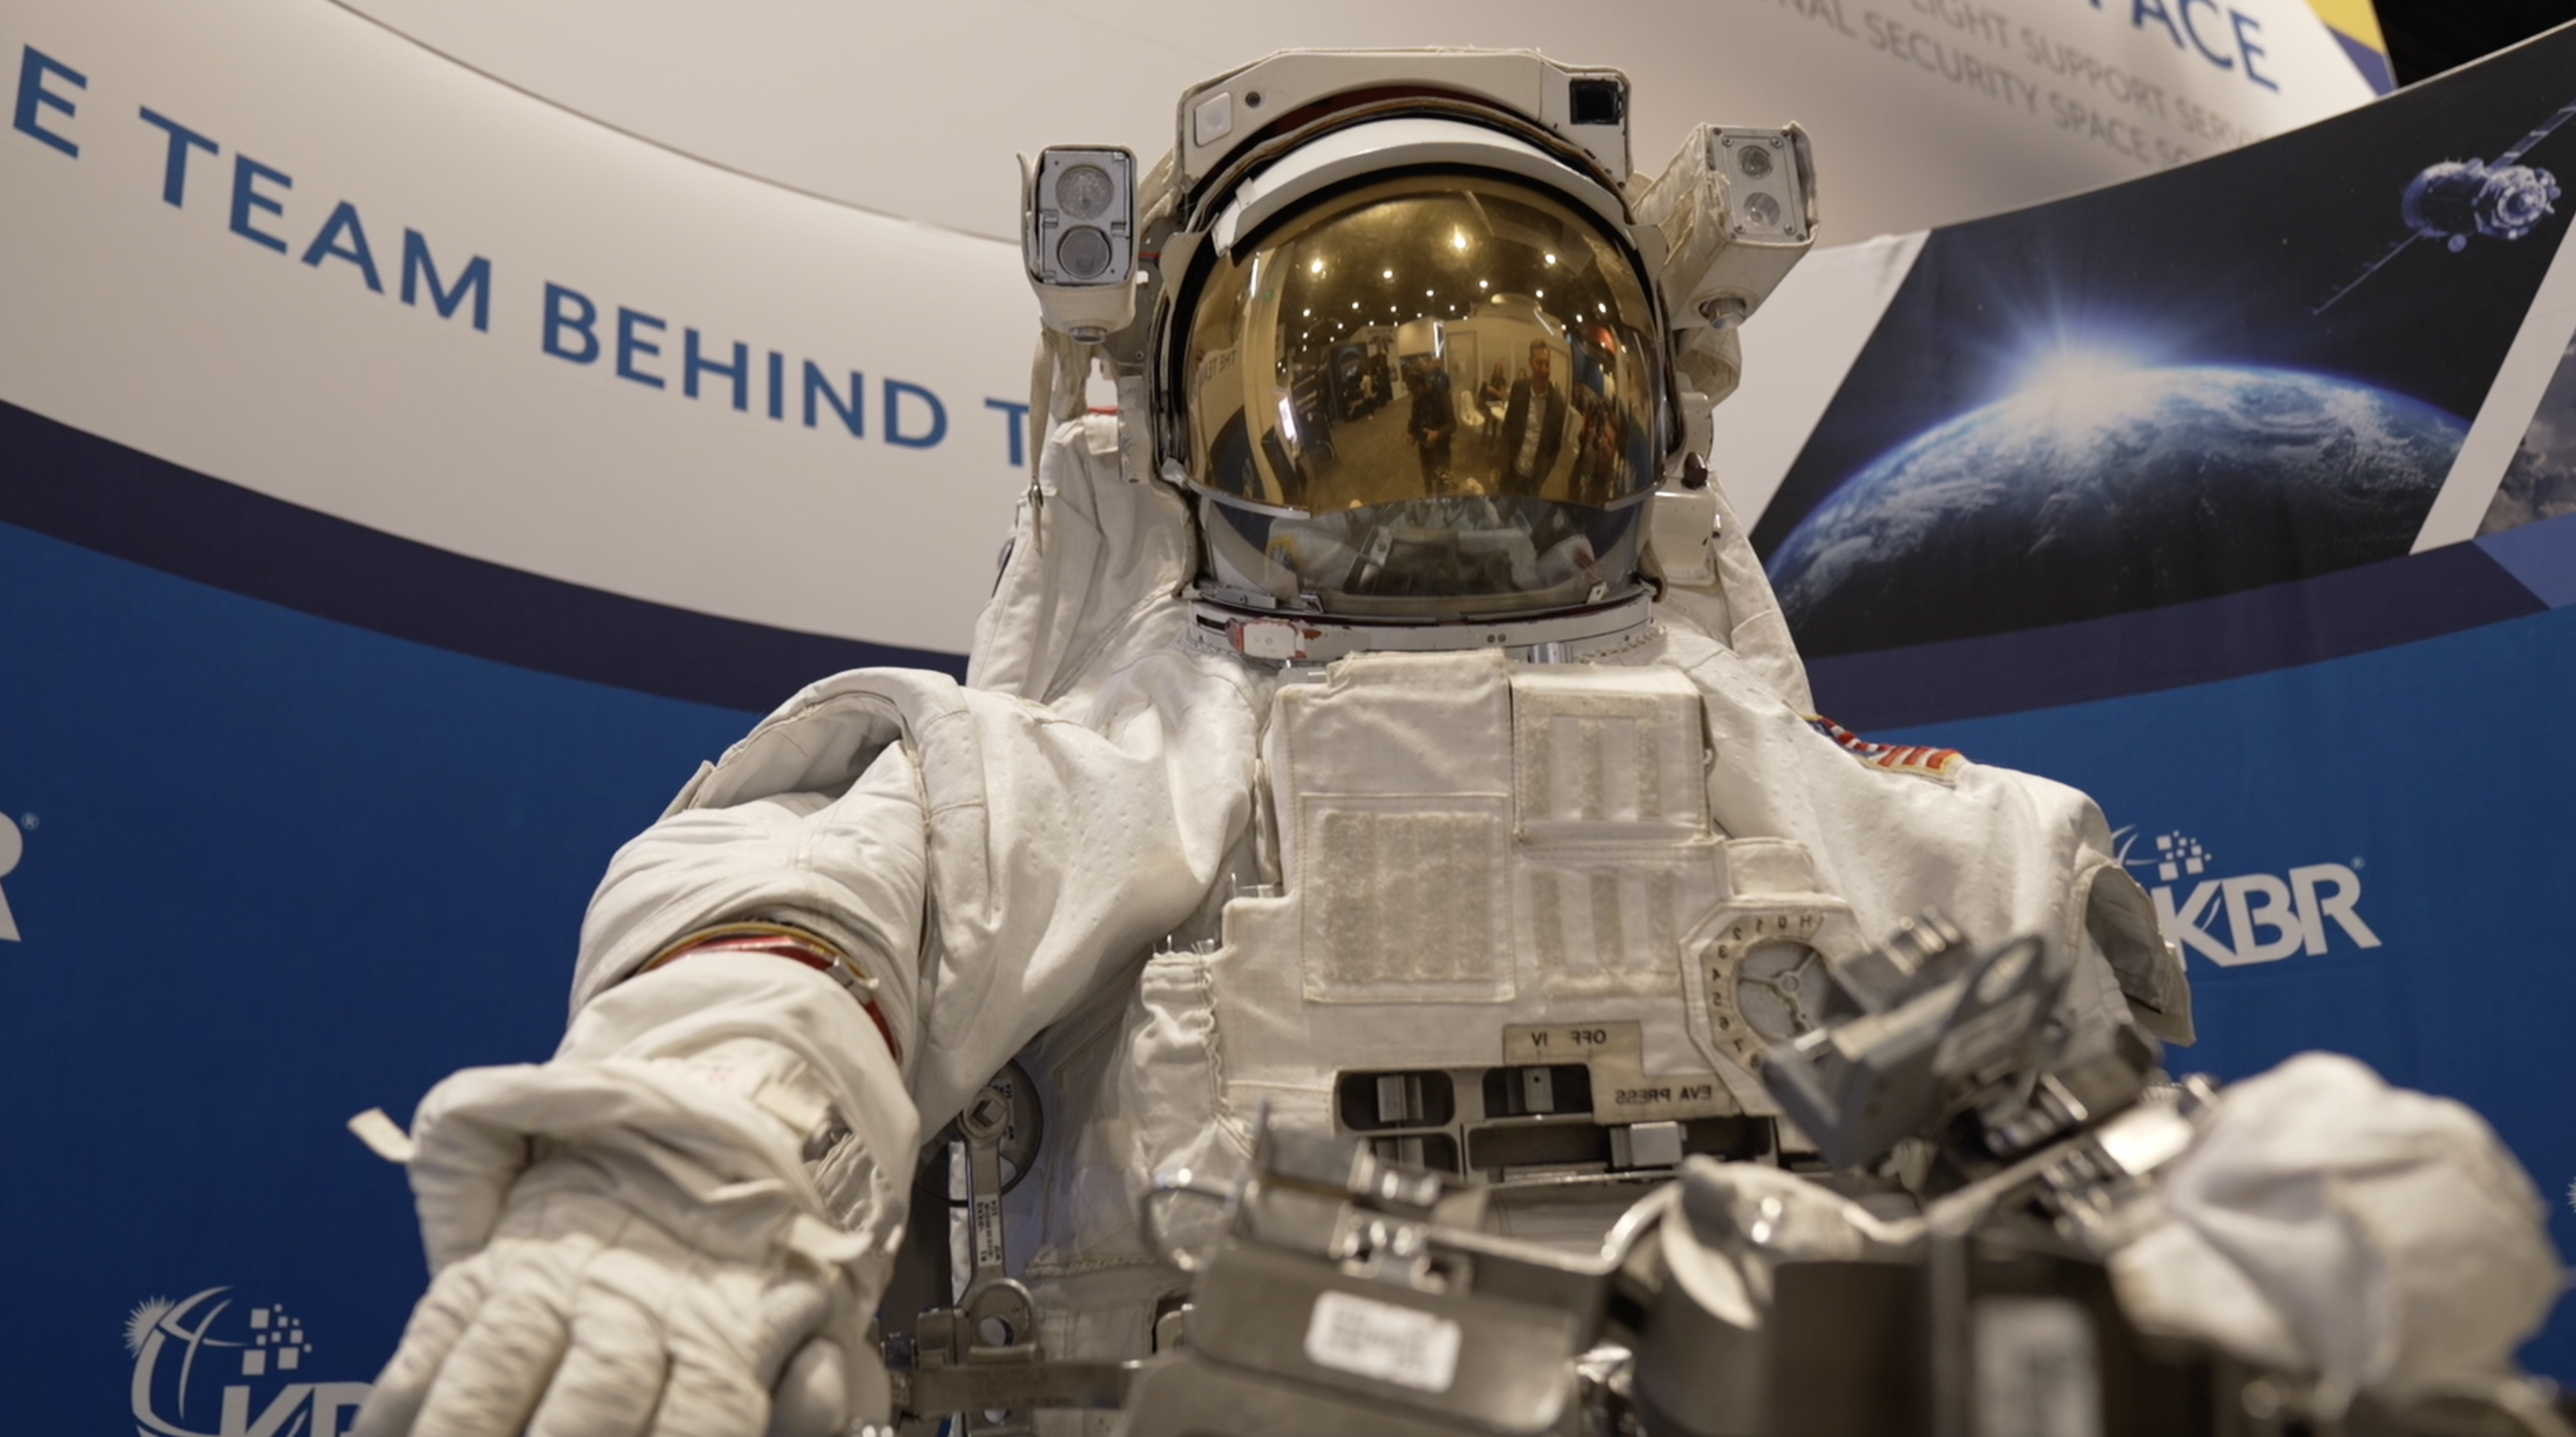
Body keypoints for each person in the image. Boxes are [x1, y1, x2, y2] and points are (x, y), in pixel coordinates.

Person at [352, 50, 2556, 1437]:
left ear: (1644, 421)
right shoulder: (1081, 765)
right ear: (1185, 423)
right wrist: (658, 1205)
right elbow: (776, 936)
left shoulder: (1930, 839)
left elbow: (2090, 1160)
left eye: (1519, 380)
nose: (1446, 446)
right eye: (1362, 382)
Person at [1496, 339, 1570, 497]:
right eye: (1539, 363)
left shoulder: (1557, 403)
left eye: (1547, 364)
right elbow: (1508, 426)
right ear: (1530, 363)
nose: (1544, 370)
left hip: (1534, 481)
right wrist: (1502, 463)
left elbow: (1555, 447)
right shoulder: (1519, 388)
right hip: (1511, 471)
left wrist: (1542, 475)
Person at [1403, 360, 1455, 493]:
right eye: (1412, 391)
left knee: (1442, 487)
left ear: (1424, 383)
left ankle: (1442, 510)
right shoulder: (1417, 397)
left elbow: (1452, 424)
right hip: (1425, 450)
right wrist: (1411, 433)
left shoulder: (1442, 396)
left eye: (1416, 390)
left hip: (1441, 451)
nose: (1415, 394)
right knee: (1428, 485)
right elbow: (1414, 419)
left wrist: (1438, 434)